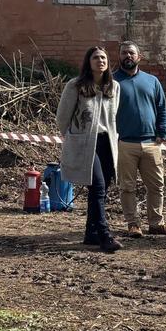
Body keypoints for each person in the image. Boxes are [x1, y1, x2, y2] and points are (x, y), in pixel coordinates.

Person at [56, 46, 122, 253]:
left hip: (107, 143)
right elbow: (62, 117)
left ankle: (90, 233)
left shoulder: (114, 87)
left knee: (101, 189)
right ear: (88, 61)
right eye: (96, 57)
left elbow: (113, 117)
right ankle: (104, 235)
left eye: (103, 57)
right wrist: (73, 137)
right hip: (85, 143)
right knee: (98, 186)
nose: (100, 61)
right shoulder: (75, 85)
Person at [114, 41, 166, 237]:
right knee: (127, 187)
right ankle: (133, 224)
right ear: (119, 57)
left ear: (139, 57)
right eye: (124, 53)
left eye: (131, 53)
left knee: (157, 185)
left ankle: (156, 223)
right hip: (125, 143)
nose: (128, 56)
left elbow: (161, 108)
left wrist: (163, 131)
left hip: (151, 143)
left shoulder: (152, 81)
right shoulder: (112, 81)